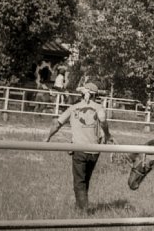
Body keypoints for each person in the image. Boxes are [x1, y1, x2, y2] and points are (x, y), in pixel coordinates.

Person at [45, 82, 113, 212]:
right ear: (95, 95)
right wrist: (108, 135)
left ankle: (84, 210)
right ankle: (80, 205)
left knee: (79, 181)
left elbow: (57, 124)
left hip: (79, 150)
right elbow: (103, 121)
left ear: (82, 94)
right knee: (85, 179)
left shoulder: (73, 108)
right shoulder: (99, 108)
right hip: (94, 151)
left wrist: (48, 137)